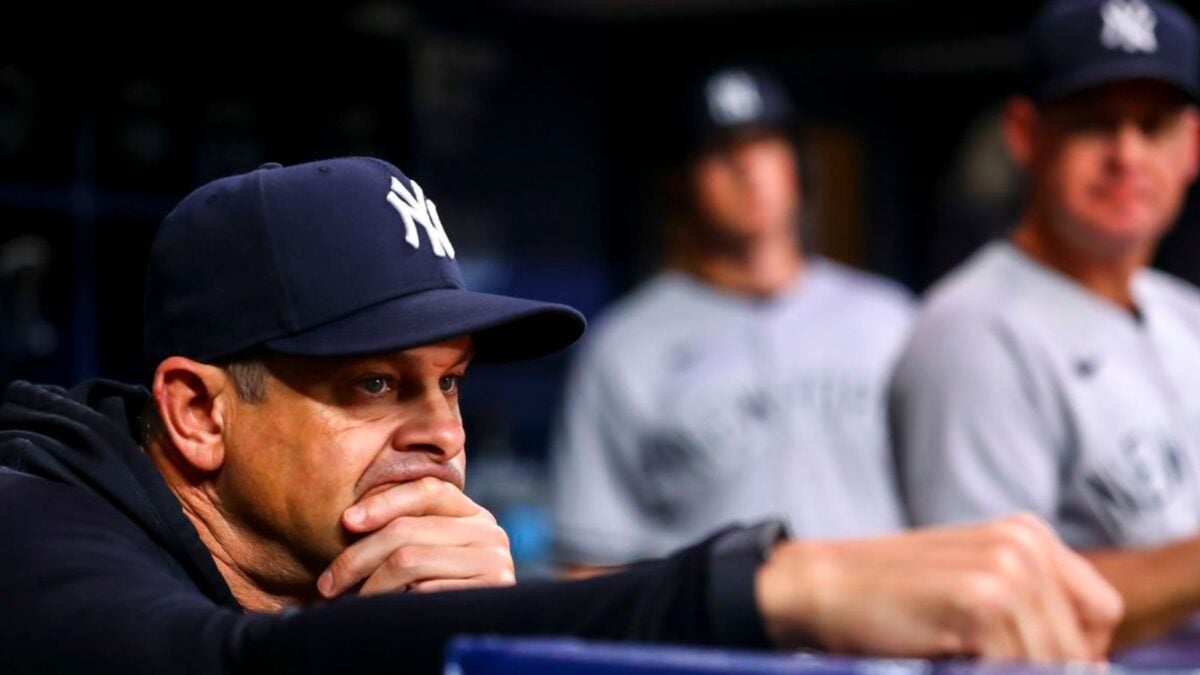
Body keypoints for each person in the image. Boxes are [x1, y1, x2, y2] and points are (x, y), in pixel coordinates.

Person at [0, 157, 1120, 673]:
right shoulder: (33, 522)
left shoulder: (362, 582)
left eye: (452, 381)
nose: (440, 432)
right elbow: (218, 666)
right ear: (197, 413)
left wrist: (490, 646)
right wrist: (773, 588)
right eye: (375, 384)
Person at [890, 0, 1200, 649]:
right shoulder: (971, 331)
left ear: (1191, 145)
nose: (1128, 154)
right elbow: (991, 612)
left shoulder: (1183, 312)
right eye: (1095, 124)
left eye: (1153, 125)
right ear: (1026, 135)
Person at [552, 67, 914, 568]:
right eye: (721, 151)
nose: (749, 168)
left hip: (886, 637)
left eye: (765, 144)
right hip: (708, 643)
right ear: (679, 184)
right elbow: (590, 561)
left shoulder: (891, 321)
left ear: (796, 166)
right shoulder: (624, 345)